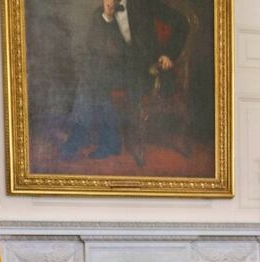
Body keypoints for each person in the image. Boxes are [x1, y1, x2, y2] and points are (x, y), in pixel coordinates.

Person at [61, 0, 188, 165]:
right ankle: (88, 137)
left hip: (148, 71)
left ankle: (103, 141)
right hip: (121, 72)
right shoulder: (99, 14)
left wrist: (169, 54)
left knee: (95, 79)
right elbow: (94, 49)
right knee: (91, 76)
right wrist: (107, 18)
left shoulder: (145, 4)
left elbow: (182, 23)